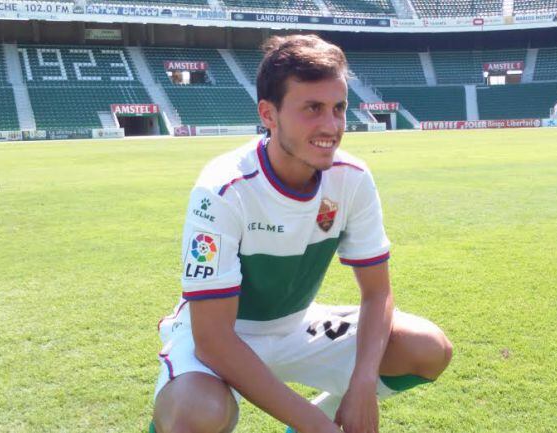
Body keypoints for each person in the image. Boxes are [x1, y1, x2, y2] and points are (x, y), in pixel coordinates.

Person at [151, 34, 453, 433]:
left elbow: (377, 293)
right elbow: (213, 340)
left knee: (427, 347)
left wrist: (361, 386)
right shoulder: (223, 189)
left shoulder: (352, 179)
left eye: (339, 108)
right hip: (224, 335)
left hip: (296, 327)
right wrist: (316, 425)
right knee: (196, 413)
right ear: (268, 114)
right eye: (312, 108)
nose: (331, 126)